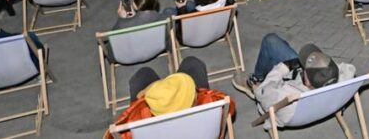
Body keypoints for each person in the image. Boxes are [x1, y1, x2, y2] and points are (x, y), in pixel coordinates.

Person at [231, 35, 355, 130]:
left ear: (306, 80)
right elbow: (346, 68)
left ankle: (256, 78)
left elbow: (262, 92)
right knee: (279, 44)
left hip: (290, 97)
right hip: (323, 98)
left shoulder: (286, 97)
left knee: (270, 41)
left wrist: (283, 67)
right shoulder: (346, 78)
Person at [105, 57, 234, 139]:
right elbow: (229, 107)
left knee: (143, 74)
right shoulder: (211, 105)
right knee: (192, 63)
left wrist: (146, 94)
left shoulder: (141, 122)